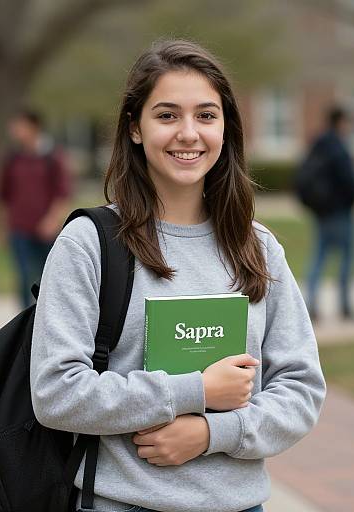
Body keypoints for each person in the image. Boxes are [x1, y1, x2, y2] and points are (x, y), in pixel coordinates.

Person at [30, 40, 326, 512]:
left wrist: (212, 432)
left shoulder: (258, 246)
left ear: (226, 128)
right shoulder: (89, 243)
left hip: (240, 505)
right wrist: (196, 391)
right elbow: (57, 393)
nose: (189, 133)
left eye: (206, 116)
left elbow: (301, 388)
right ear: (134, 128)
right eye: (167, 115)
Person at [0, 108, 72, 309]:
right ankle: (25, 320)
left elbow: (62, 193)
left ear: (34, 127)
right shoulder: (12, 159)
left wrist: (52, 220)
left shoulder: (52, 157)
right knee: (22, 277)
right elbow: (4, 196)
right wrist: (3, 227)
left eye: (20, 125)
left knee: (47, 277)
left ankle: (46, 315)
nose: (15, 130)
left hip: (46, 230)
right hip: (19, 228)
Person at [303, 106, 354, 322]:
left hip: (321, 211)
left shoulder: (318, 144)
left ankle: (311, 304)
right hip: (340, 211)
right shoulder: (338, 146)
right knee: (346, 257)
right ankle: (345, 306)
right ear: (341, 122)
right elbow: (348, 180)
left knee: (319, 256)